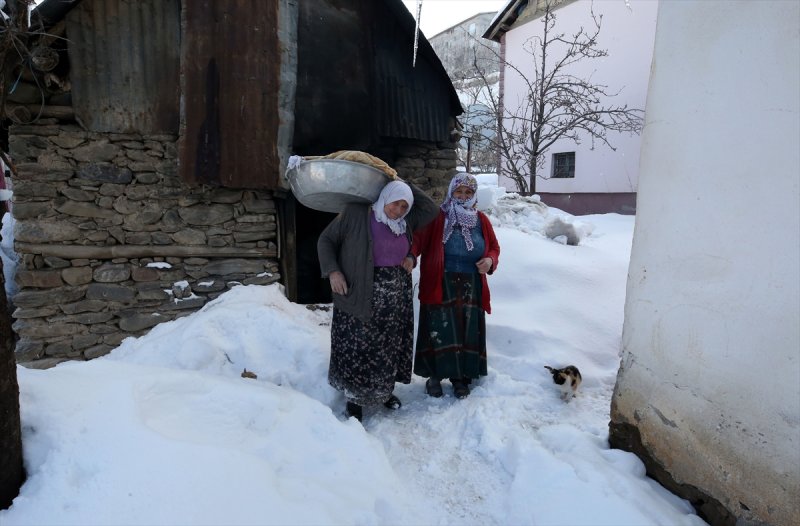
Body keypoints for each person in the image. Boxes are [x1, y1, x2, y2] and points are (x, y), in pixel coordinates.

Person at [317, 179, 438, 421]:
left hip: (396, 293)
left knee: (388, 346)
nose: (398, 210)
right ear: (385, 197)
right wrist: (333, 271)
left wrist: (412, 255)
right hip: (360, 290)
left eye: (405, 206)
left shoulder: (406, 221)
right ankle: (355, 399)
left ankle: (384, 392)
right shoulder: (356, 213)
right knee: (359, 345)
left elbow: (431, 209)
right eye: (395, 203)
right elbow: (326, 241)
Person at [411, 173, 500, 399]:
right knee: (439, 329)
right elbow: (418, 240)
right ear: (451, 192)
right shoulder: (438, 217)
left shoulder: (482, 220)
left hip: (471, 283)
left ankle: (461, 377)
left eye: (468, 192)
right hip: (441, 280)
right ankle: (434, 376)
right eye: (459, 191)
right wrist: (410, 256)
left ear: (474, 195)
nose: (463, 196)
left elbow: (494, 248)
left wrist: (489, 260)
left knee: (466, 331)